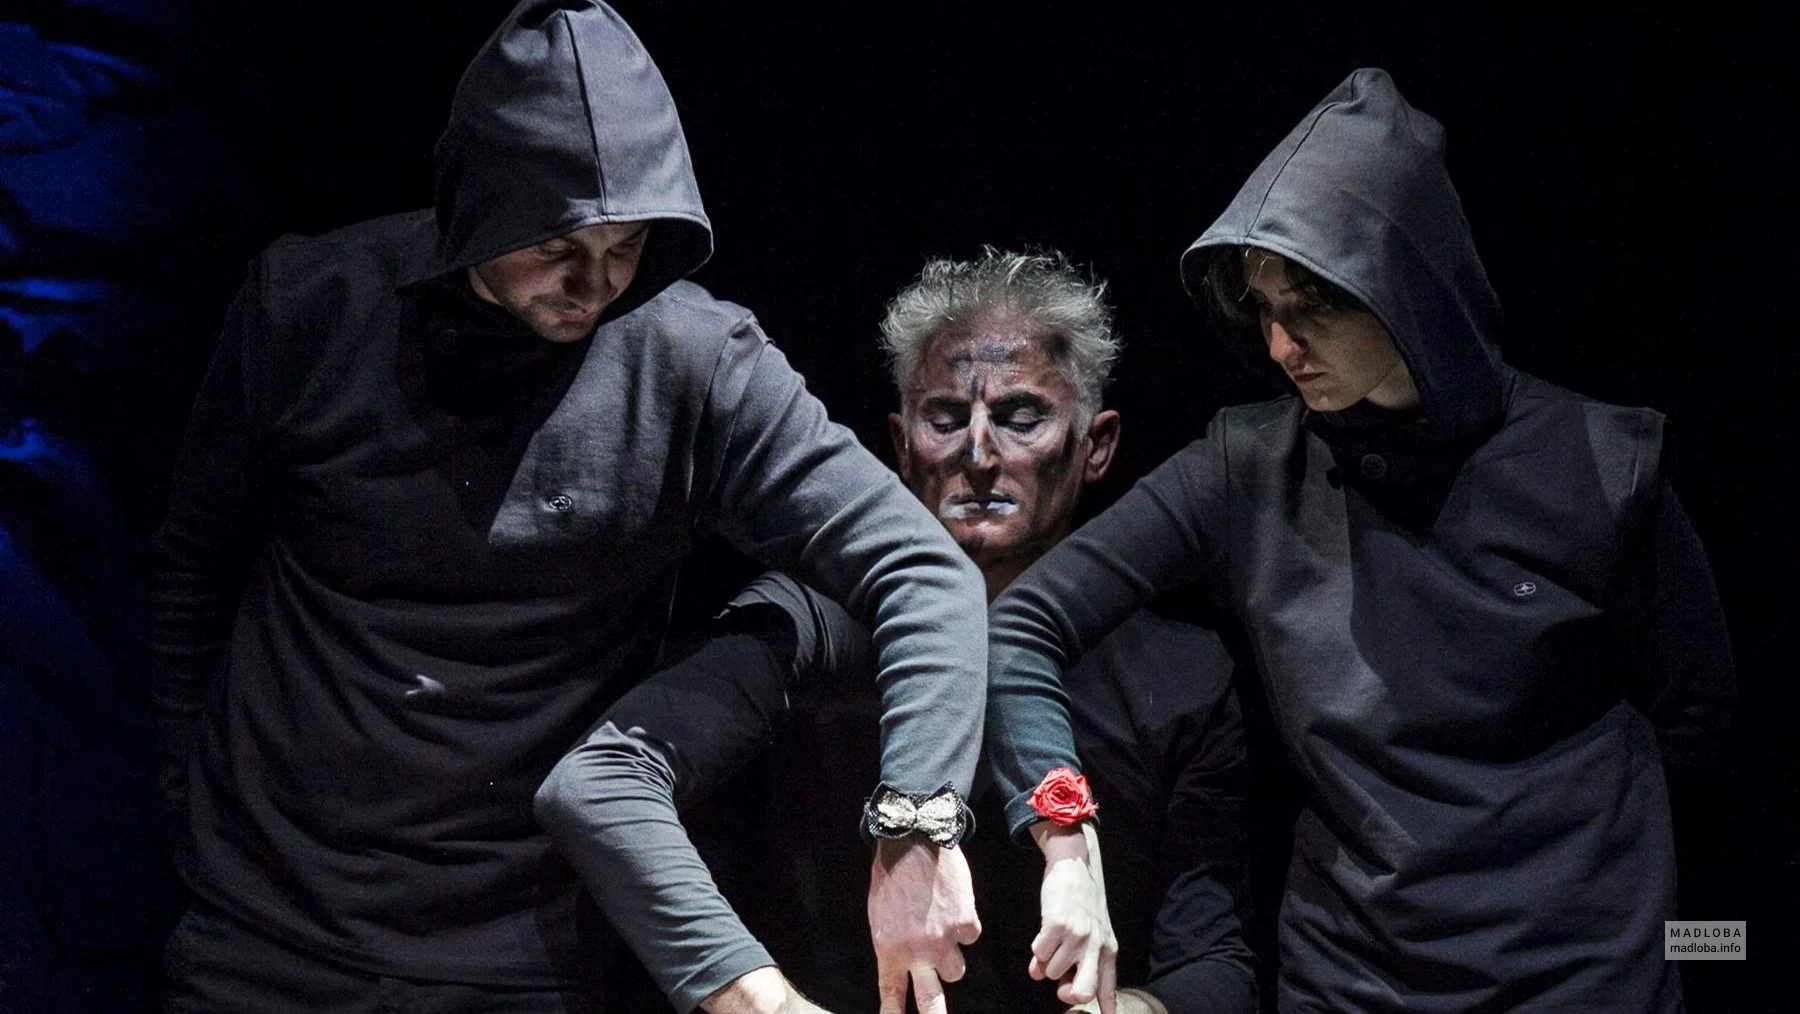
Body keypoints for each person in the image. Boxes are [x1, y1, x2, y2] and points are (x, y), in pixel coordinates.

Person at [149, 2, 988, 1010]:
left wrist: (916, 826)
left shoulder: (692, 359)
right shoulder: (308, 305)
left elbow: (921, 569)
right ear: (479, 205)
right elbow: (192, 571)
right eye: (556, 245)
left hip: (521, 951)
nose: (594, 285)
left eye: (627, 246)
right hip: (266, 928)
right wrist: (187, 794)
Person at [985, 69, 1735, 1014]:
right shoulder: (1249, 466)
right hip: (1353, 985)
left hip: (1581, 982)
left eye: (1315, 305)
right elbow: (1022, 628)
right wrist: (1065, 839)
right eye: (1264, 308)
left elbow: (1696, 721)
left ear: (1408, 286)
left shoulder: (1600, 467)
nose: (1280, 344)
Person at [537, 249, 1257, 1014]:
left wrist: (1131, 1011)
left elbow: (1218, 961)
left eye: (1021, 419)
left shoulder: (1181, 672)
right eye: (944, 419)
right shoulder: (806, 626)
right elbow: (612, 785)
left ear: (1097, 445)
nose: (979, 454)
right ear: (901, 442)